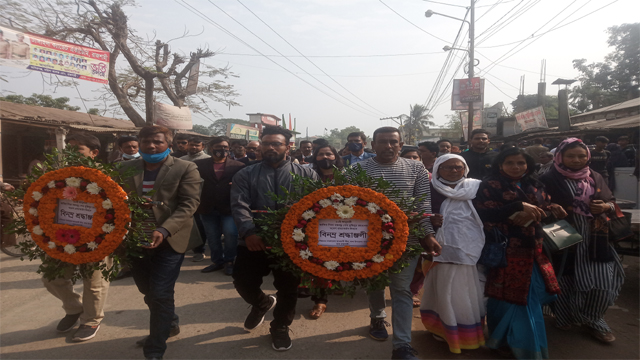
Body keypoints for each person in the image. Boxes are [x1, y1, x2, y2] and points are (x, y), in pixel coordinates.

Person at [230, 126, 319, 351]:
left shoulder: (307, 174)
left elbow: (317, 207)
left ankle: (280, 326)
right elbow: (239, 205)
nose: (271, 147)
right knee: (243, 282)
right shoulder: (245, 174)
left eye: (276, 143)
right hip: (253, 240)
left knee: (288, 288)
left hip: (292, 242)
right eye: (266, 143)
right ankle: (262, 303)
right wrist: (249, 232)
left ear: (288, 147)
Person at [356, 127, 439, 360]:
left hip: (407, 241)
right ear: (373, 145)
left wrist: (428, 234)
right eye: (383, 142)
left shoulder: (416, 169)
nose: (388, 146)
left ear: (401, 145)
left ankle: (402, 346)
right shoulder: (356, 170)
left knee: (401, 290)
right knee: (374, 284)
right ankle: (377, 317)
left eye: (393, 142)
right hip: (368, 242)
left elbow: (423, 207)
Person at [474, 147, 565, 359]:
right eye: (510, 163)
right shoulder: (489, 185)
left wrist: (552, 209)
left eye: (521, 163)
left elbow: (544, 207)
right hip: (506, 250)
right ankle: (510, 343)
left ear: (528, 165)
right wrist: (515, 208)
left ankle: (514, 341)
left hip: (535, 248)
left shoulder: (535, 184)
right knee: (506, 297)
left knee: (532, 293)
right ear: (500, 165)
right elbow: (483, 213)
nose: (516, 167)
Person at [119, 126, 201, 359]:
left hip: (169, 240)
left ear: (169, 144)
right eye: (146, 141)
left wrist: (164, 229)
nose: (151, 146)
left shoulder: (186, 167)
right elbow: (112, 199)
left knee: (161, 292)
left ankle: (155, 348)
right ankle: (170, 323)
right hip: (135, 239)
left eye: (157, 142)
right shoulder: (124, 168)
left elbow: (189, 204)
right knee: (147, 290)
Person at [539, 138, 625, 344]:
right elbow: (537, 204)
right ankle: (565, 315)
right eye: (571, 156)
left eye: (581, 156)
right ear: (559, 157)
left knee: (602, 283)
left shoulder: (595, 176)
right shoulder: (547, 179)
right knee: (564, 279)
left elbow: (611, 202)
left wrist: (606, 208)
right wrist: (551, 209)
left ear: (588, 156)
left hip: (596, 237)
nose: (577, 160)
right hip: (563, 234)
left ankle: (594, 319)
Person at [42, 133, 111, 342]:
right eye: (69, 149)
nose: (72, 154)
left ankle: (91, 319)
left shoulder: (108, 178)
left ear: (94, 153)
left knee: (94, 281)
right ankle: (73, 309)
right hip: (62, 238)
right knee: (51, 278)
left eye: (78, 149)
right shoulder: (57, 177)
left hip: (97, 239)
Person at [420, 154, 485, 354]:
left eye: (458, 167)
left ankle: (467, 332)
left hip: (469, 249)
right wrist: (430, 220)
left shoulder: (476, 187)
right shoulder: (429, 189)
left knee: (466, 291)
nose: (454, 171)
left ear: (465, 168)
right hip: (440, 249)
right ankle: (442, 329)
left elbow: (487, 212)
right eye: (448, 168)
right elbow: (420, 213)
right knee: (443, 289)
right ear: (438, 169)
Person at [299, 144, 345, 319]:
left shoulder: (345, 176)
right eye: (321, 155)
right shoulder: (306, 175)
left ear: (336, 156)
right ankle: (320, 300)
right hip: (312, 224)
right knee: (318, 260)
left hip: (339, 224)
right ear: (315, 157)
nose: (325, 157)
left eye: (329, 154)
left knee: (336, 258)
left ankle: (336, 280)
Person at [195, 137, 245, 275]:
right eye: (218, 146)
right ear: (211, 148)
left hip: (229, 207)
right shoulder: (199, 165)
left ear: (229, 148)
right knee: (212, 236)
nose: (222, 150)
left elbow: (244, 186)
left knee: (231, 234)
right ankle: (217, 261)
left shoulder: (238, 166)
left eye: (225, 147)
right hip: (207, 206)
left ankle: (229, 261)